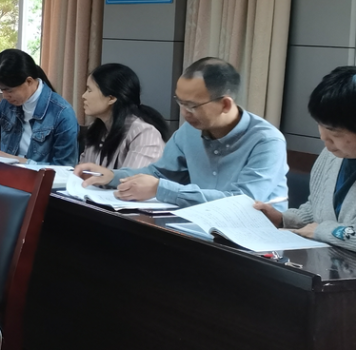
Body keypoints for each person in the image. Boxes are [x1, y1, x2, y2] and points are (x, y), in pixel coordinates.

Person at [77, 58, 287, 206]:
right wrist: (112, 176)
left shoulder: (266, 141)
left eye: (192, 105)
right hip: (201, 228)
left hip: (255, 237)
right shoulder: (190, 131)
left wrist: (161, 189)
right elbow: (159, 173)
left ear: (225, 104)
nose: (184, 113)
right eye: (180, 102)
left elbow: (243, 201)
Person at [255, 67, 356, 249]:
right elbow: (318, 209)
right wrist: (284, 219)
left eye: (335, 133)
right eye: (320, 125)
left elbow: (324, 228)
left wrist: (322, 231)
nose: (324, 139)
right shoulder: (332, 155)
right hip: (325, 262)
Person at [0, 49, 79, 165]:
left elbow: (64, 168)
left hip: (37, 178)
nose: (5, 96)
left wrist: (13, 159)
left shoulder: (62, 114)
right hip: (5, 173)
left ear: (29, 81)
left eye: (9, 90)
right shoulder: (6, 105)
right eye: (1, 90)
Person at [77, 63, 168, 169]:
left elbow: (133, 178)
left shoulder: (143, 133)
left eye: (89, 90)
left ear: (111, 98)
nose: (83, 96)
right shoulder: (97, 128)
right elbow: (82, 172)